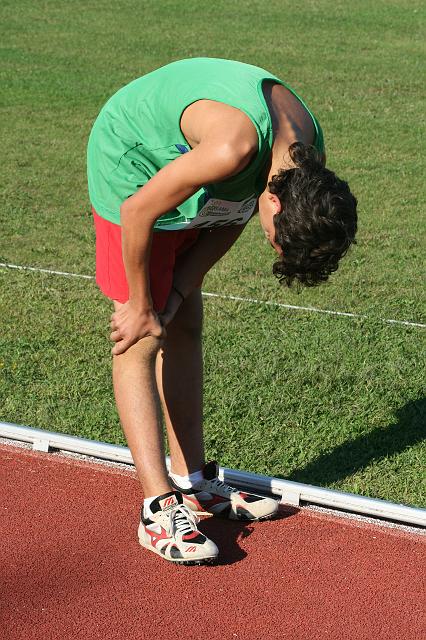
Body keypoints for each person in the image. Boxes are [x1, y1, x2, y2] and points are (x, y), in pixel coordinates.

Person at [87, 57, 357, 565]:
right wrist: (143, 305)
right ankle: (155, 504)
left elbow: (235, 209)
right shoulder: (235, 148)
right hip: (133, 163)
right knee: (141, 335)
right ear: (276, 205)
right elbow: (138, 210)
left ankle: (193, 482)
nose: (270, 246)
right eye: (276, 243)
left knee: (185, 321)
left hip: (193, 167)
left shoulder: (302, 162)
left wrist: (182, 288)